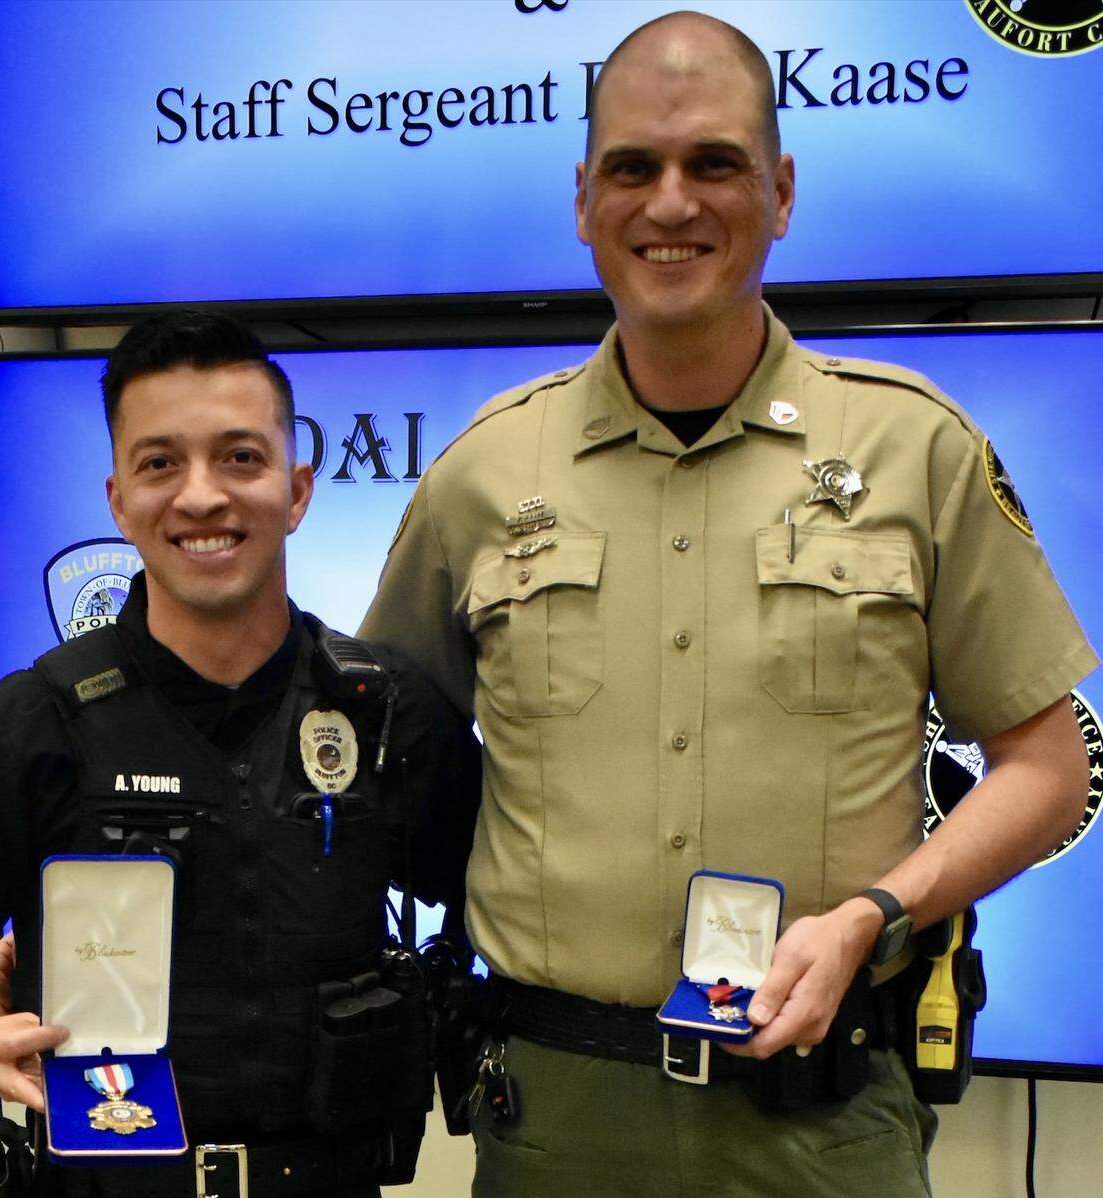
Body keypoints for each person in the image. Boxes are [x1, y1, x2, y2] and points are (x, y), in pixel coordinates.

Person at [358, 10, 1096, 1197]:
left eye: (714, 163)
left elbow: (1048, 770)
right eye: (631, 168)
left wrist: (876, 913)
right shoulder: (483, 474)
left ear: (782, 191)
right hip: (554, 1120)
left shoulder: (915, 449)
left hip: (823, 1116)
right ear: (583, 200)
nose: (672, 203)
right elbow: (359, 771)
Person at [0, 312, 477, 1198]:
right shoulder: (33, 724)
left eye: (240, 457)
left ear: (297, 490)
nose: (201, 496)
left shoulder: (388, 715)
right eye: (160, 463)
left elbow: (513, 906)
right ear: (118, 499)